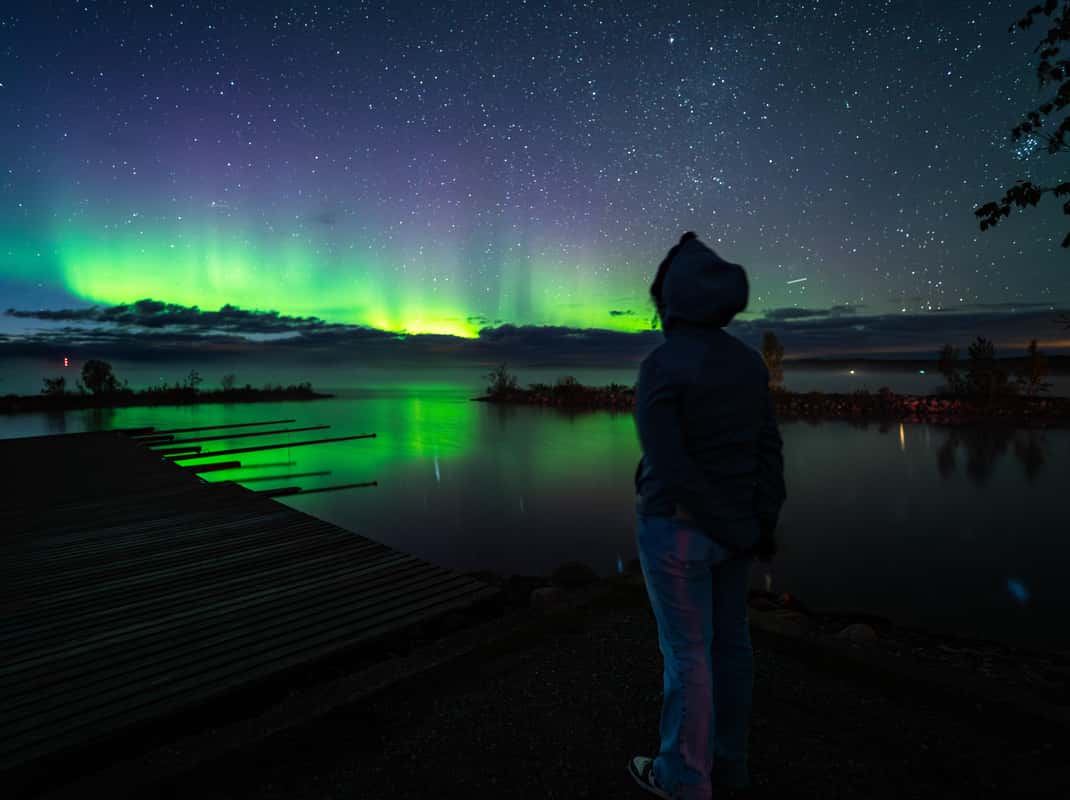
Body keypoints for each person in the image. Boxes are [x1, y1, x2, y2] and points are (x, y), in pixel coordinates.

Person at [627, 232, 786, 799]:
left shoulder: (662, 365)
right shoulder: (747, 364)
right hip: (738, 530)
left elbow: (671, 468)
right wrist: (760, 522)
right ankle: (729, 764)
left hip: (677, 532)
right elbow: (769, 448)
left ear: (670, 301)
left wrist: (728, 524)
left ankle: (684, 780)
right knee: (732, 647)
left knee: (687, 656)